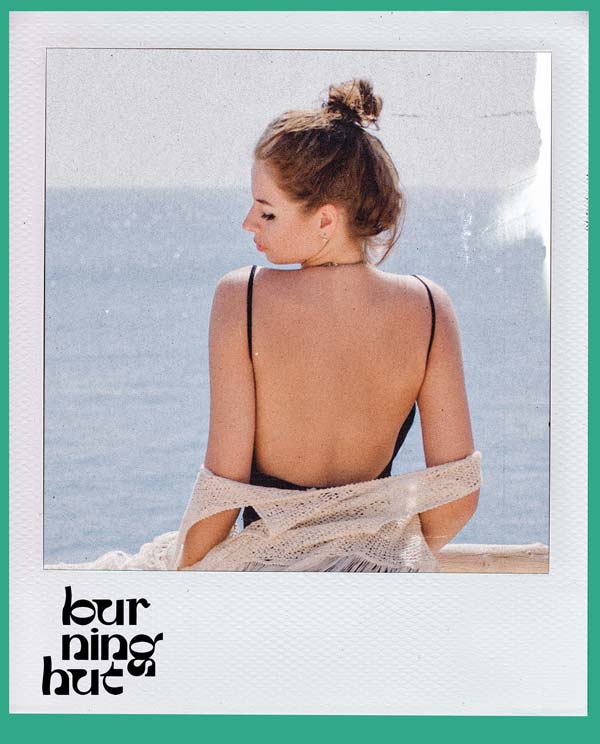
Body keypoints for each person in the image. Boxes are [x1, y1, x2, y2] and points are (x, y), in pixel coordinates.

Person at [177, 79, 480, 572]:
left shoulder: (242, 296)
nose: (249, 222)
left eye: (267, 212)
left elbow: (221, 492)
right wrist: (372, 559)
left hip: (267, 586)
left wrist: (182, 580)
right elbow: (458, 494)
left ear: (325, 221)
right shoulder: (429, 306)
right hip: (380, 589)